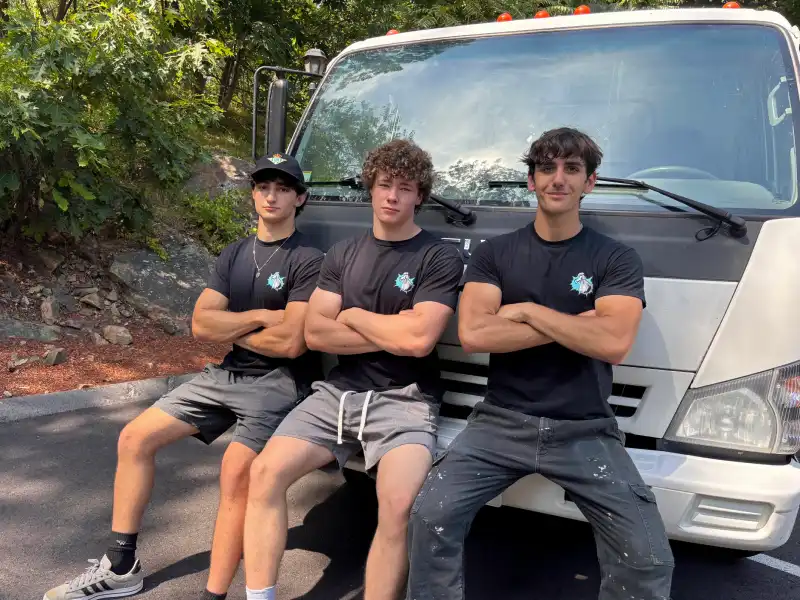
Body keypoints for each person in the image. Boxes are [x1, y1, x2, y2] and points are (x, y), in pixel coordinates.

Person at [405, 127, 674, 600]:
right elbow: (475, 334)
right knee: (431, 514)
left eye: (572, 169)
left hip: (586, 429)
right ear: (530, 180)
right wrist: (578, 324)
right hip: (500, 423)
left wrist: (526, 310)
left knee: (648, 554)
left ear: (589, 182)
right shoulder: (494, 254)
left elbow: (613, 343)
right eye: (546, 168)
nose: (558, 178)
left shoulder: (615, 258)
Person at [43, 153, 325, 600]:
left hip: (278, 382)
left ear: (300, 198)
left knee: (236, 475)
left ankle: (213, 596)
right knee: (134, 438)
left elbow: (292, 344)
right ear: (253, 194)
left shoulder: (309, 258)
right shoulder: (234, 253)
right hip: (226, 374)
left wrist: (230, 323)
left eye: (283, 188)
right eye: (264, 187)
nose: (271, 196)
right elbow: (199, 325)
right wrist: (258, 318)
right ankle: (121, 567)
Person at [241, 139, 464, 600]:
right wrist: (393, 328)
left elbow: (420, 340)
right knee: (264, 474)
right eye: (385, 185)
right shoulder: (343, 253)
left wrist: (355, 316)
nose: (392, 197)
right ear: (371, 188)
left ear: (419, 196)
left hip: (406, 398)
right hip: (337, 393)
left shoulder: (439, 256)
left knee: (399, 504)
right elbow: (316, 334)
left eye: (405, 188)